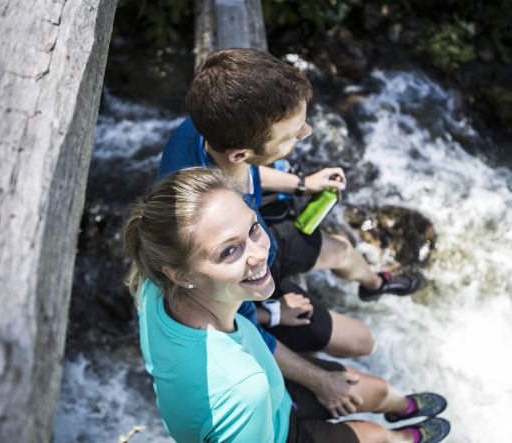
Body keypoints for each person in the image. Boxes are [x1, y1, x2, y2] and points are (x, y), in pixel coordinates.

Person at [124, 167, 450, 443]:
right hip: (274, 429)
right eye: (228, 251)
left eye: (253, 228)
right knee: (376, 437)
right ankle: (407, 438)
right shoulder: (240, 389)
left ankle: (400, 408)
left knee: (376, 391)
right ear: (181, 274)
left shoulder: (156, 286)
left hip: (274, 392)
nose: (259, 253)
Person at [157, 48, 420, 360]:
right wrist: (274, 315)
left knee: (343, 250)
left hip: (261, 237)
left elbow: (247, 171)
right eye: (292, 136)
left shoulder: (208, 128)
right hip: (250, 277)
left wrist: (303, 184)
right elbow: (232, 319)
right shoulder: (205, 217)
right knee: (363, 342)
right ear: (240, 154)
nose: (307, 133)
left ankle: (374, 284)